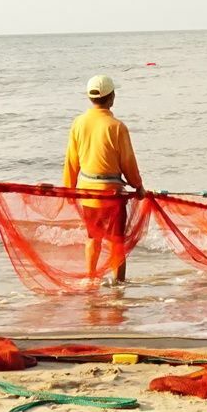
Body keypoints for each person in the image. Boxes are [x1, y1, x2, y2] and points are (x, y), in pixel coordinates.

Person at [62, 74, 143, 284]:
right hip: (112, 195)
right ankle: (118, 287)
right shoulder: (116, 127)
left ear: (90, 98)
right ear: (112, 97)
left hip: (88, 193)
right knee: (117, 242)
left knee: (93, 238)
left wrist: (69, 189)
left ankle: (91, 278)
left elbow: (71, 160)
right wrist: (138, 186)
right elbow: (128, 163)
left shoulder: (78, 123)